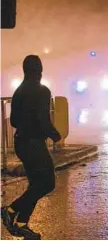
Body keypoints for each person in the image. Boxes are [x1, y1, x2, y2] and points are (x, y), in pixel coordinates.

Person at [1, 55, 61, 240]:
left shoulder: (19, 91)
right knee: (47, 183)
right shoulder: (42, 91)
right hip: (33, 143)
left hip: (21, 142)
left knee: (36, 185)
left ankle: (22, 224)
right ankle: (10, 210)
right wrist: (55, 135)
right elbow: (43, 120)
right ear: (40, 71)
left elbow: (15, 120)